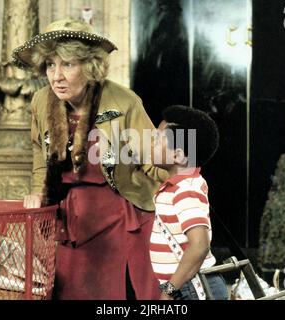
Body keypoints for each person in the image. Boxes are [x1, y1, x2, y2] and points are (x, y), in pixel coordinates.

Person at [13, 18, 168, 300]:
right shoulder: (40, 101)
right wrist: (38, 191)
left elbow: (154, 160)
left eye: (68, 64)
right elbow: (39, 153)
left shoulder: (124, 101)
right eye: (50, 64)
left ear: (90, 65)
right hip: (68, 218)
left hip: (119, 214)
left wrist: (183, 196)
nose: (56, 75)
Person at [149, 105, 229, 300]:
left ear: (177, 155)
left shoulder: (186, 190)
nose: (150, 143)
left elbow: (199, 246)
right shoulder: (179, 186)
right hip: (188, 287)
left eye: (158, 139)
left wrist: (169, 290)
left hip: (192, 290)